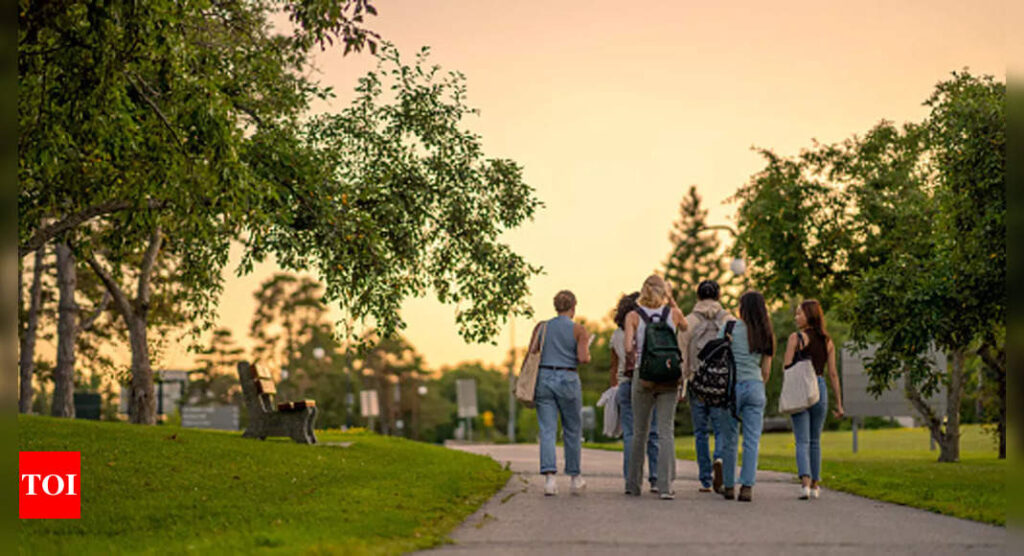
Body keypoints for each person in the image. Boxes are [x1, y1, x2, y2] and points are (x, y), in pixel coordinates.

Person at [624, 275, 687, 500]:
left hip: (644, 375)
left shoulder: (633, 316)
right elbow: (686, 327)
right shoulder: (674, 314)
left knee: (639, 432)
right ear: (664, 292)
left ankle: (633, 485)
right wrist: (672, 302)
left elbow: (628, 348)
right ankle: (665, 487)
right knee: (665, 431)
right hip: (669, 375)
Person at [712, 290, 774, 502]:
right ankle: (746, 486)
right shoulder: (766, 332)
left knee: (729, 439)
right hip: (755, 386)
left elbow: (716, 357)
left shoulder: (729, 327)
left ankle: (729, 486)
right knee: (752, 440)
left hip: (730, 389)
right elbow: (766, 371)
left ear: (742, 308)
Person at [530, 289, 591, 496]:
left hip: (544, 378)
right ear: (573, 307)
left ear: (556, 307)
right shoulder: (578, 330)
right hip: (568, 379)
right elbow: (583, 359)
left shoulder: (542, 327)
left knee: (547, 430)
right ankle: (575, 479)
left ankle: (549, 481)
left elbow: (532, 352)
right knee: (572, 429)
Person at [784, 299, 845, 500]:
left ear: (809, 315)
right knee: (815, 440)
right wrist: (839, 403)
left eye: (799, 313)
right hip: (820, 387)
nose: (796, 317)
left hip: (801, 389)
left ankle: (805, 484)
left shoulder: (796, 338)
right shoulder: (828, 341)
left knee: (802, 440)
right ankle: (816, 485)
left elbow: (787, 367)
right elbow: (833, 374)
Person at [679, 280, 733, 493]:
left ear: (698, 296)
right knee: (720, 429)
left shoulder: (689, 321)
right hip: (720, 383)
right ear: (718, 296)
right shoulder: (729, 320)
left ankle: (705, 480)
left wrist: (681, 385)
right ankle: (719, 458)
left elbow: (681, 354)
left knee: (700, 432)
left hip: (697, 382)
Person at [609, 292, 660, 493]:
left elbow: (613, 367)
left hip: (624, 385)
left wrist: (613, 388)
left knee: (630, 434)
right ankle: (655, 478)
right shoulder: (646, 329)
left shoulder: (616, 336)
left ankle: (631, 480)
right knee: (653, 432)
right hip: (647, 383)